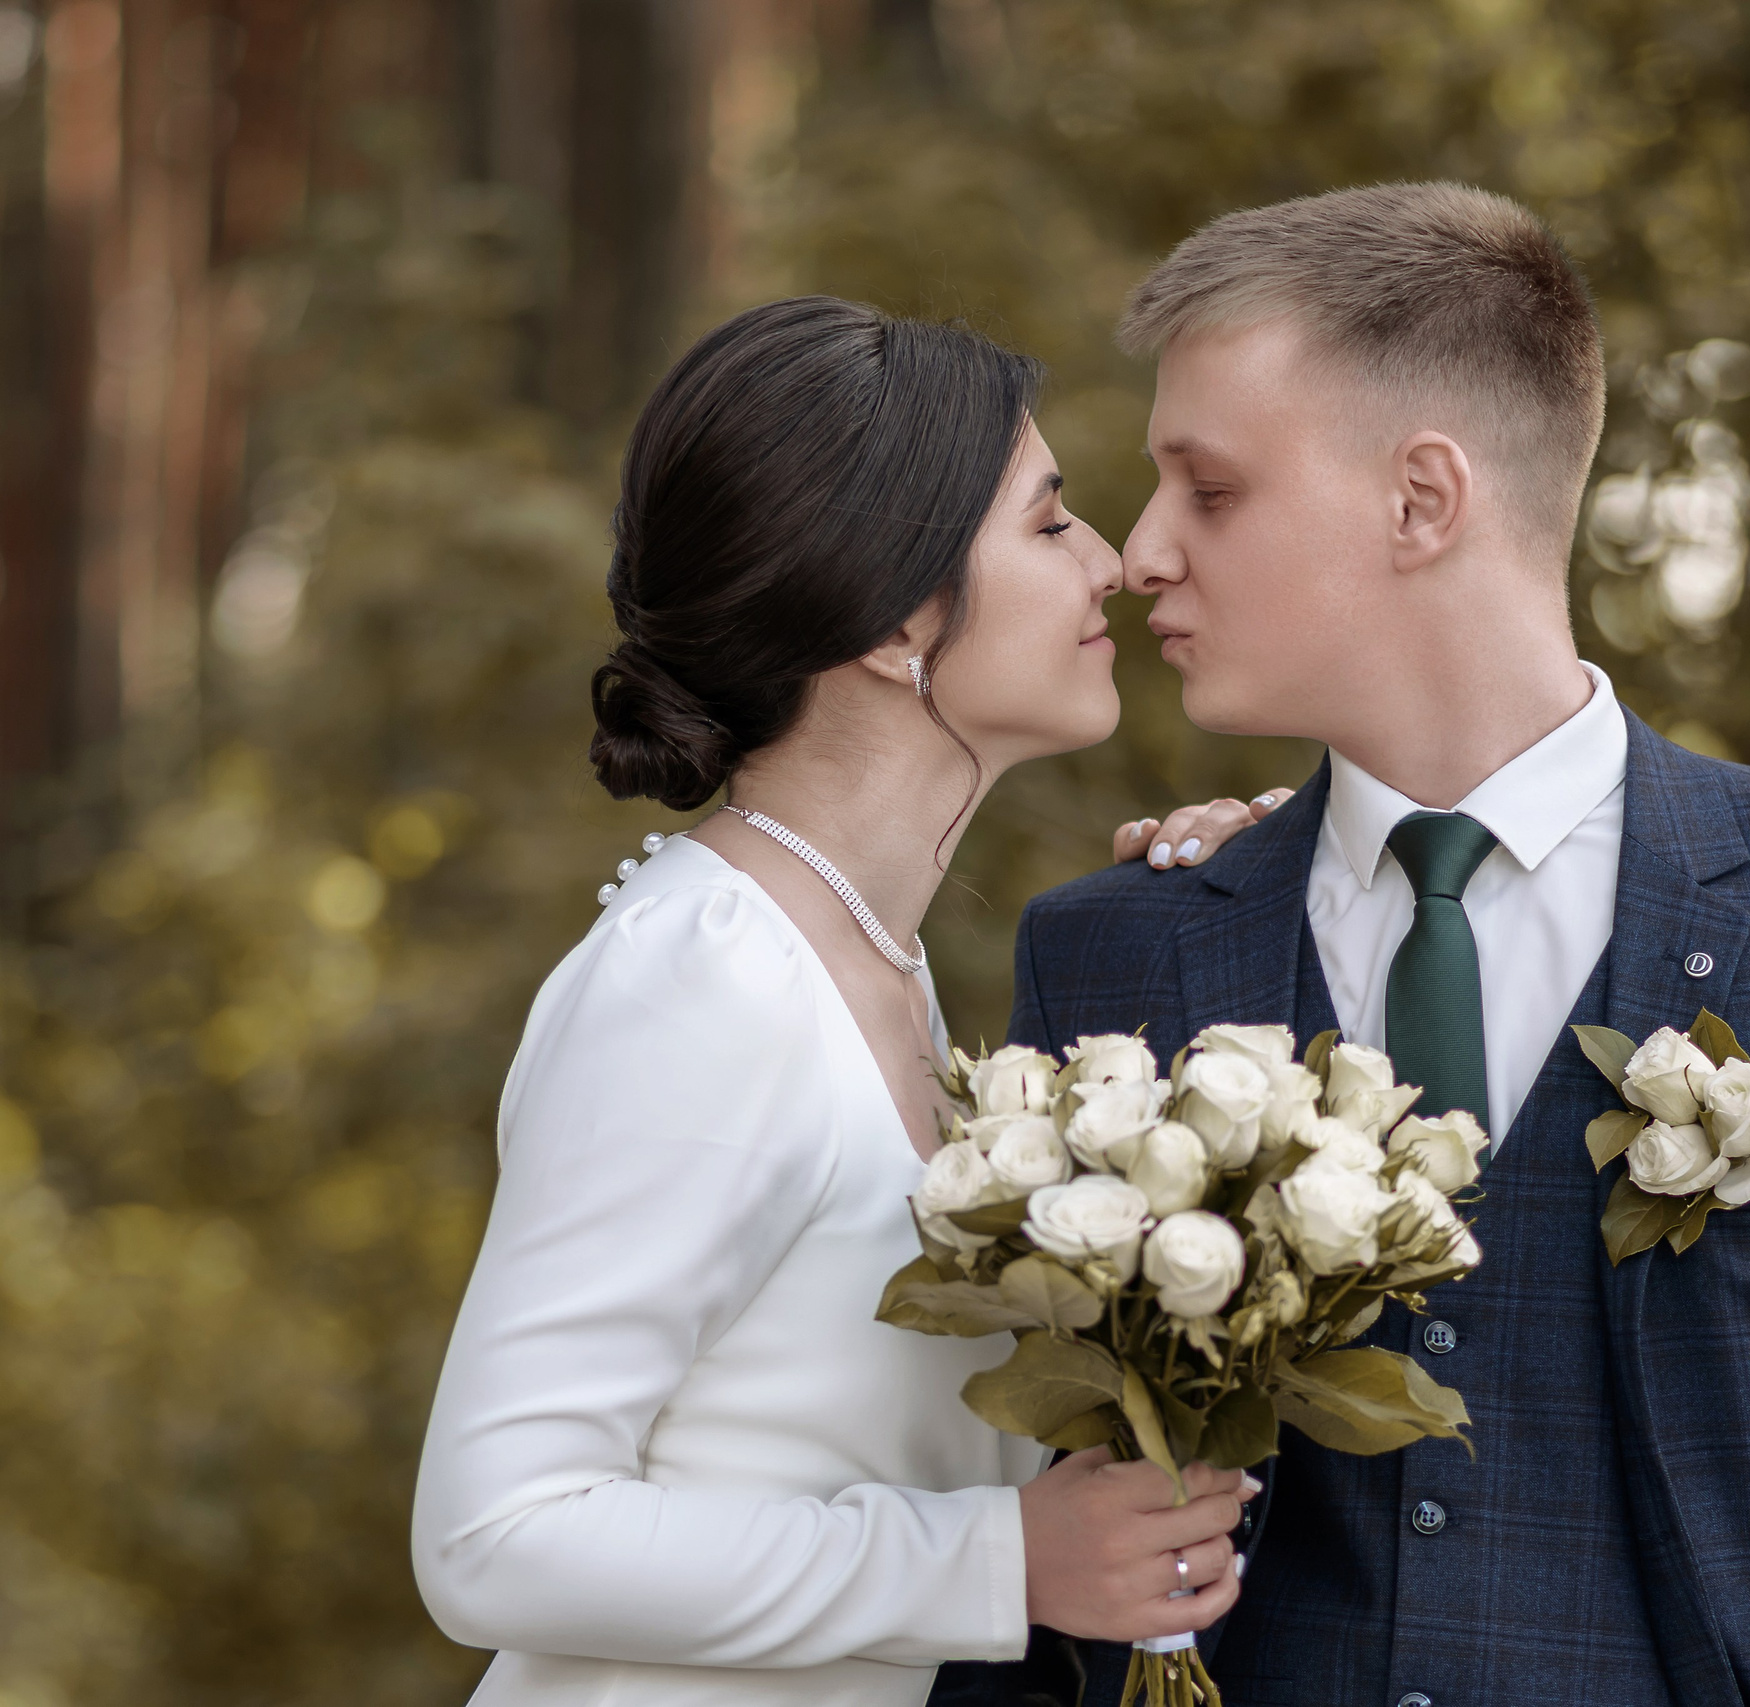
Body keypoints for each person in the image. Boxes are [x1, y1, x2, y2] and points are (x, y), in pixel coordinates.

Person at [1015, 183, 1750, 1707]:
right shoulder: (1114, 959)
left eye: (1209, 491)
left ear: (1423, 501)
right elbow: (1025, 1556)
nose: (1142, 552)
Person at [411, 297, 1271, 1707]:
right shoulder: (703, 981)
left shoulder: (875, 966)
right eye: (1052, 523)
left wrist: (1254, 906)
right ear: (895, 618)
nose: (1112, 562)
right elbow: (495, 1534)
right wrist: (996, 1561)